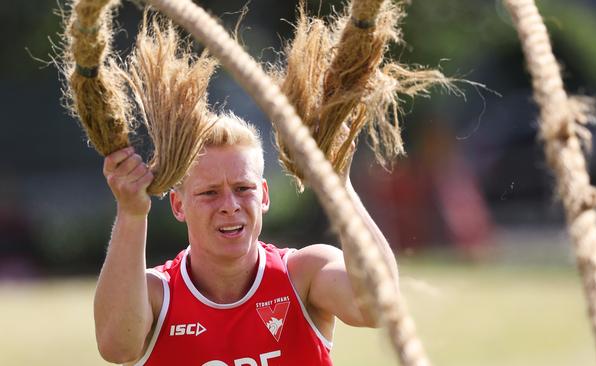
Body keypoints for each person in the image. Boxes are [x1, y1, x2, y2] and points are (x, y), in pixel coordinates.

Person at [93, 113, 399, 365]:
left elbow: (378, 307)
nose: (230, 205)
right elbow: (117, 349)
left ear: (264, 196)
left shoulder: (304, 274)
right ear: (178, 205)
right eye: (209, 192)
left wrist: (339, 186)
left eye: (243, 188)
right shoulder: (155, 293)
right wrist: (131, 214)